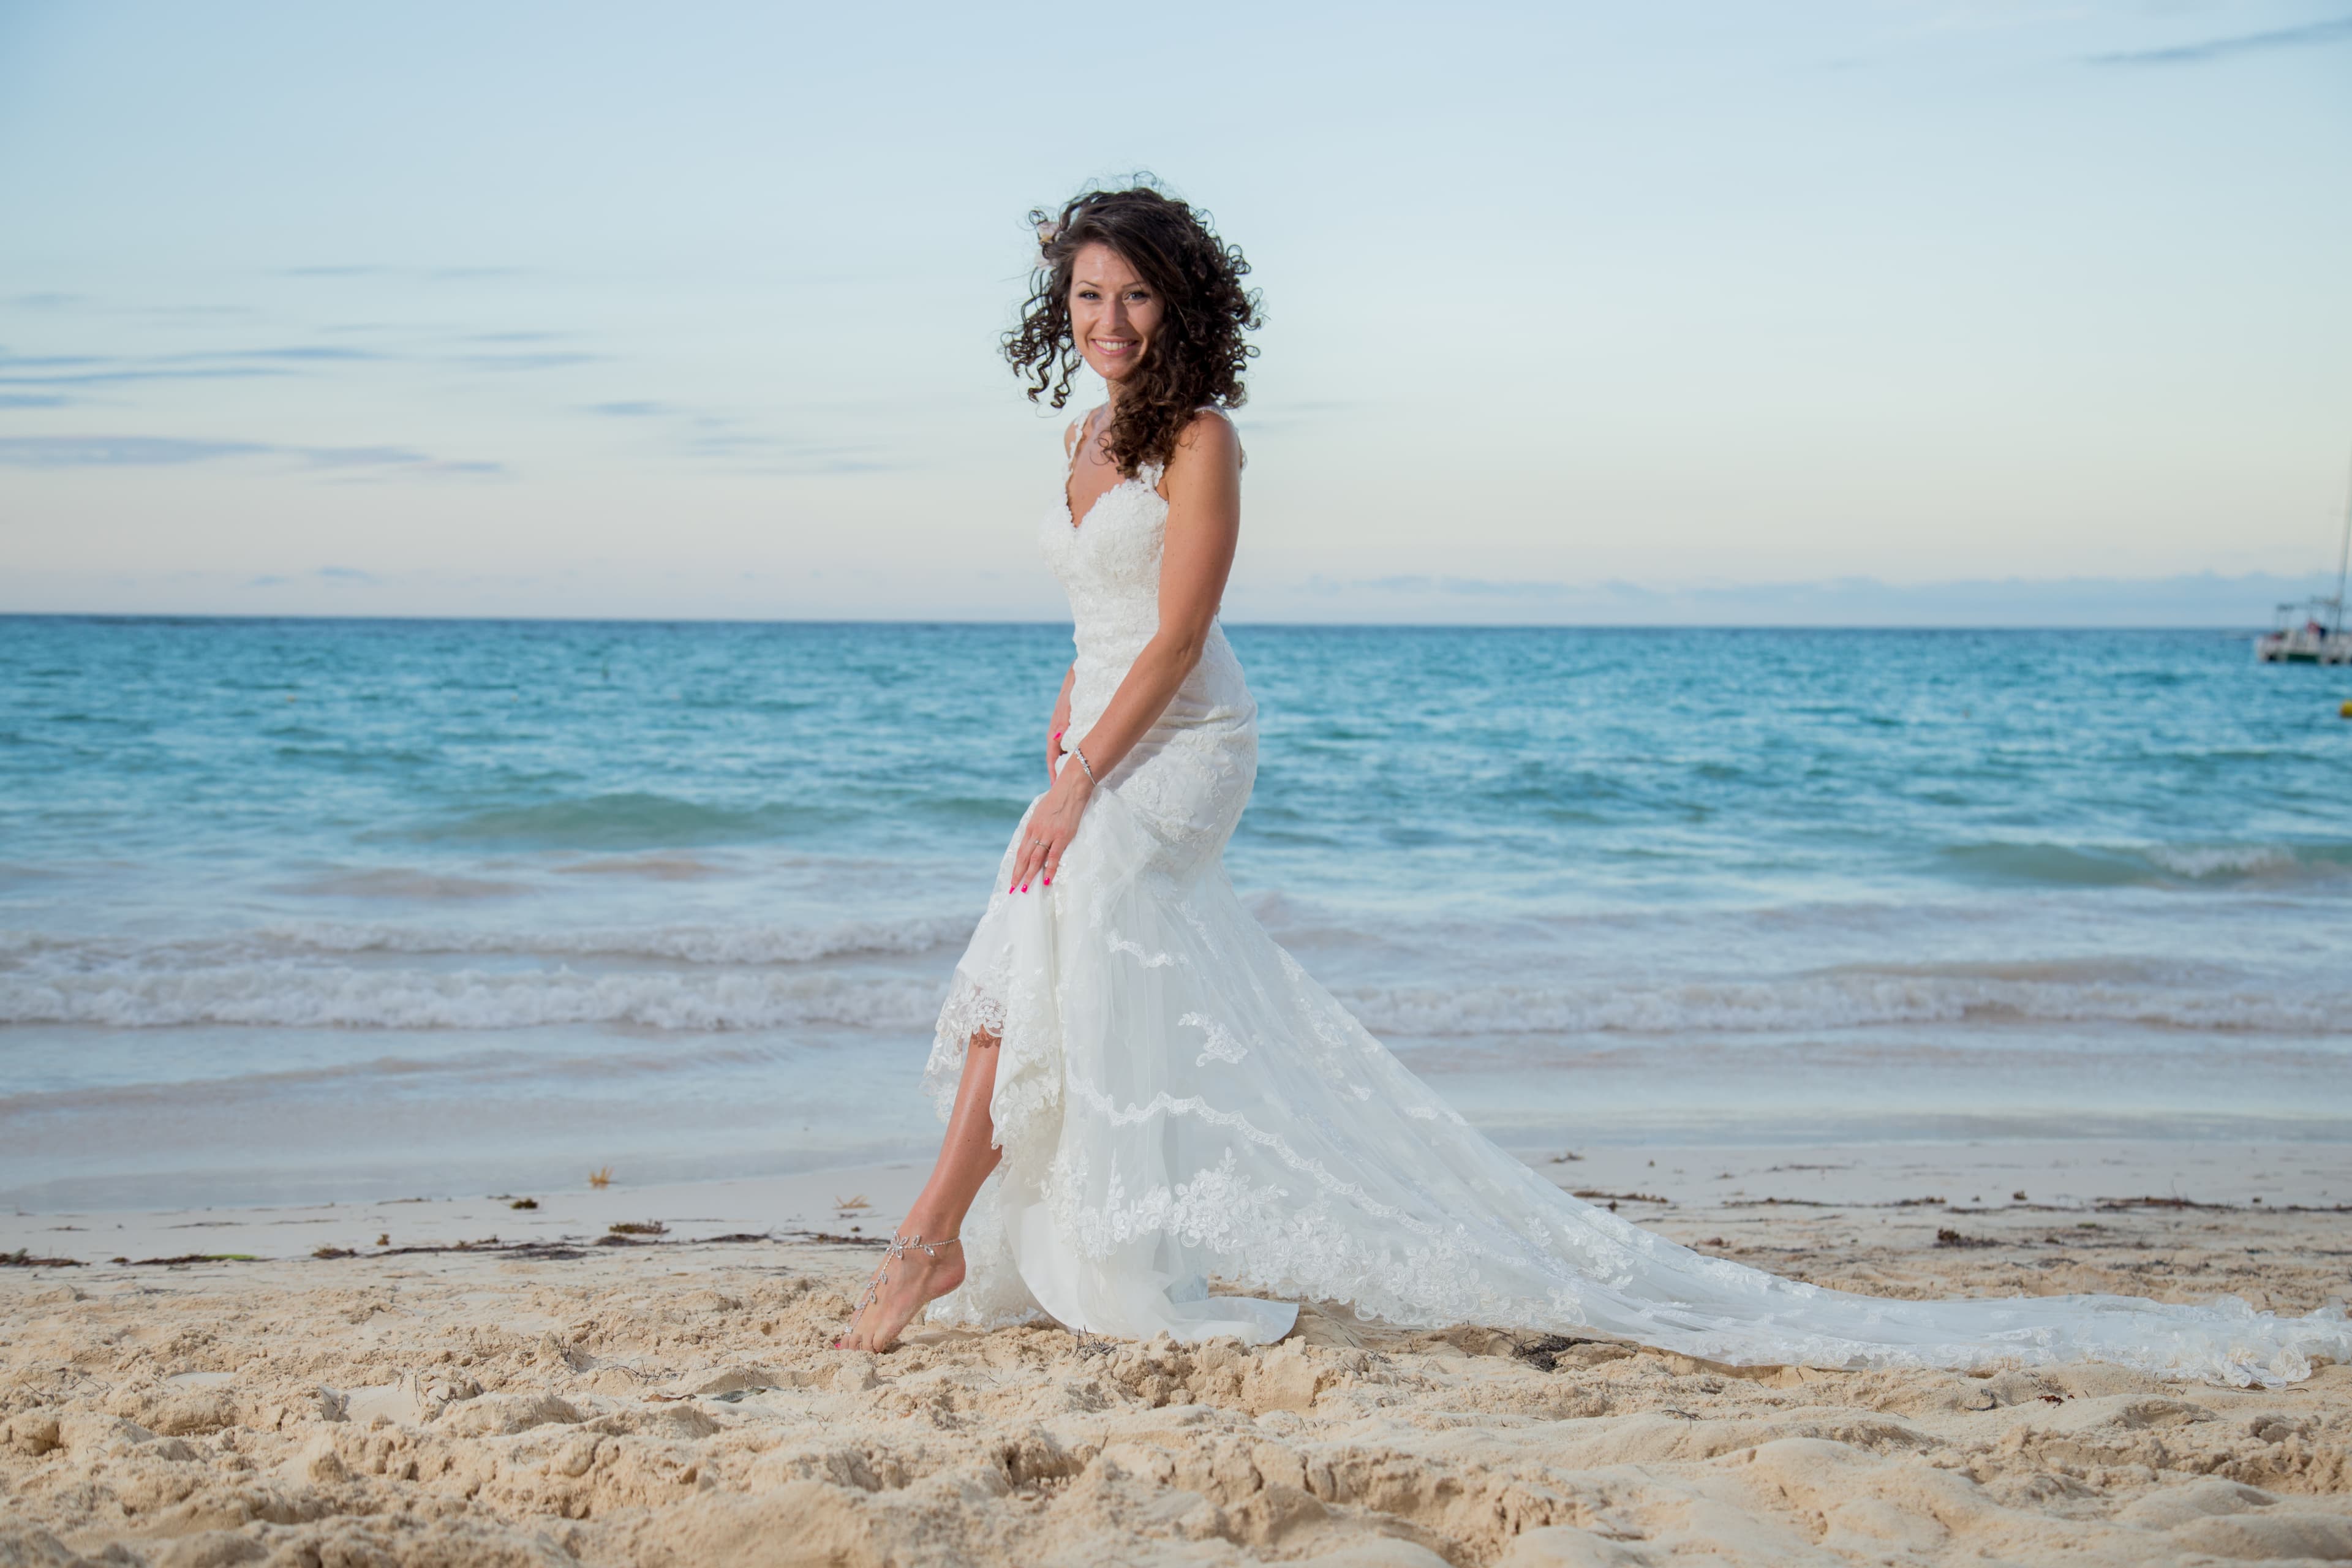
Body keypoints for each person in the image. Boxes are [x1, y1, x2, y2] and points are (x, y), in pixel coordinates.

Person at [837, 186, 2348, 1387]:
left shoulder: (1204, 439)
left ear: (1178, 301)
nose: (1107, 319)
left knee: (1051, 910)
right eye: (1087, 295)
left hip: (1184, 742)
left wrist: (1086, 772)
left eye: (1133, 293)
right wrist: (1054, 741)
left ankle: (925, 1237)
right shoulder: (1081, 435)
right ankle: (963, 1231)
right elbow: (1092, 626)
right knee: (1028, 941)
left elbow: (1176, 634)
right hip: (1097, 729)